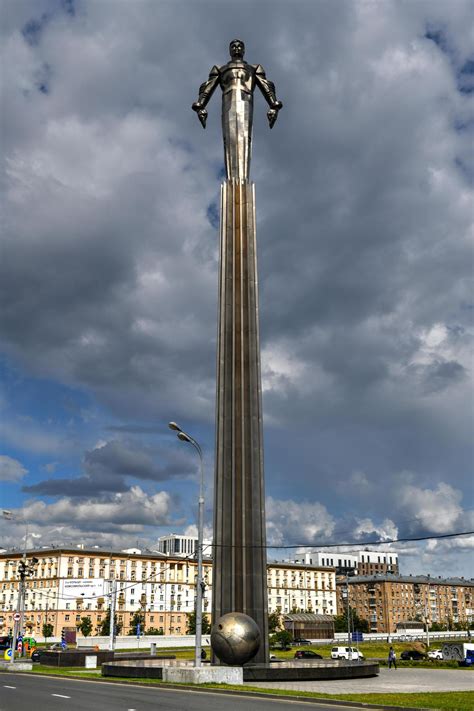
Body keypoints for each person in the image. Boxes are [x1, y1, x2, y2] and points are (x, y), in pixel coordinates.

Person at [192, 39, 282, 181]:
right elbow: (207, 88)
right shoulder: (220, 70)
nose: (236, 48)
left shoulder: (254, 68)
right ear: (229, 50)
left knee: (245, 137)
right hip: (227, 103)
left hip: (246, 101)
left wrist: (273, 104)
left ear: (244, 50)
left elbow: (266, 86)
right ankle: (233, 180)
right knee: (230, 138)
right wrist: (200, 104)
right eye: (233, 46)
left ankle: (242, 179)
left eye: (240, 46)